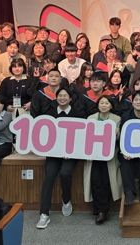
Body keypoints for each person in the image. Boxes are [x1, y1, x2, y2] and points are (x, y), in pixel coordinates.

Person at [36, 88, 87, 229]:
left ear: (70, 99)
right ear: (56, 97)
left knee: (65, 173)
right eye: (60, 95)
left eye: (65, 96)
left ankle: (66, 199)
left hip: (71, 153)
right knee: (49, 177)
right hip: (53, 153)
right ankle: (44, 214)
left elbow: (82, 136)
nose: (62, 98)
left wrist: (71, 151)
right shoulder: (49, 114)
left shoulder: (79, 114)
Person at [84, 96, 122, 225]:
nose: (104, 105)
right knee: (95, 182)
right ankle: (97, 209)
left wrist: (117, 133)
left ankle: (103, 211)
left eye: (107, 103)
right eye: (101, 103)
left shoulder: (116, 119)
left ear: (111, 106)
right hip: (94, 156)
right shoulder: (91, 118)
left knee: (106, 182)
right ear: (98, 105)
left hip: (109, 157)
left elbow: (120, 139)